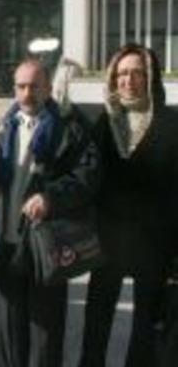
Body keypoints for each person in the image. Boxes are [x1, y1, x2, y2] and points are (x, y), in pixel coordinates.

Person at [0, 59, 99, 367]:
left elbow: (89, 175)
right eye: (21, 86)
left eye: (34, 86)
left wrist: (50, 196)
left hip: (46, 244)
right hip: (8, 242)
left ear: (47, 87)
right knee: (11, 331)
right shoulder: (7, 125)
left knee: (47, 332)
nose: (27, 93)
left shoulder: (70, 124)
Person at [78, 44, 178, 367]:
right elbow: (83, 172)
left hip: (155, 244)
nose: (128, 80)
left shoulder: (172, 124)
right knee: (95, 324)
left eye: (136, 73)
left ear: (149, 77)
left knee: (146, 327)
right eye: (121, 73)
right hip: (109, 241)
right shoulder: (105, 124)